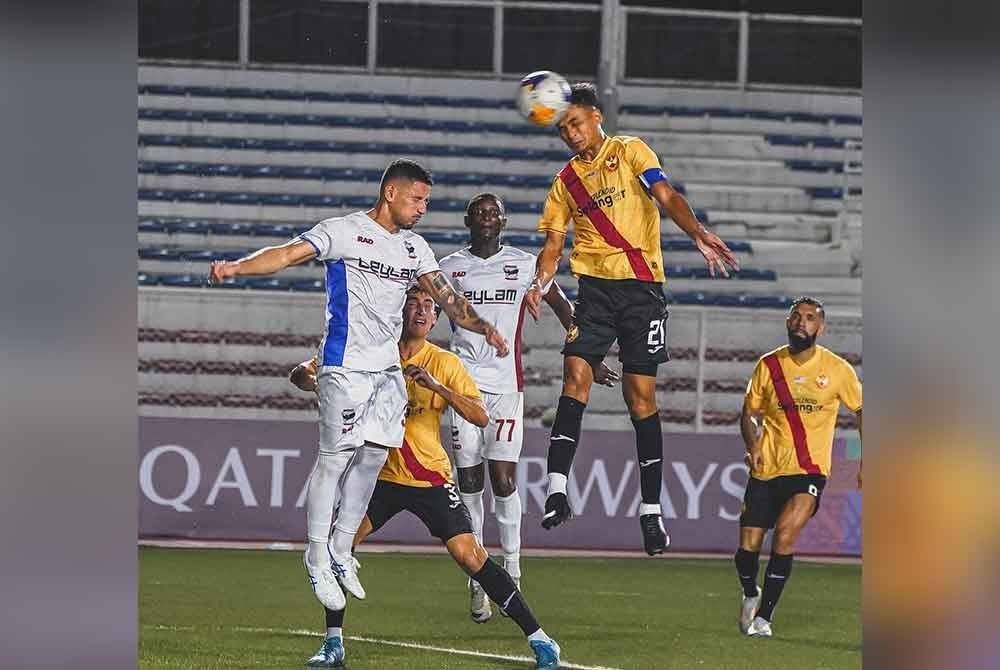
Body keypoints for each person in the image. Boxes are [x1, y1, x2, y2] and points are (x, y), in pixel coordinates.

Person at [208, 159, 509, 613]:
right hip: (344, 365)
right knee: (336, 458)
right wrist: (234, 268)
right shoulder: (343, 231)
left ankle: (342, 549)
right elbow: (287, 254)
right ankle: (316, 556)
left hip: (386, 369)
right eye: (418, 198)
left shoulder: (414, 248)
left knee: (374, 453)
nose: (423, 208)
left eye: (427, 200)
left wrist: (481, 325)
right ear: (391, 193)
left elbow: (446, 295)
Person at [290, 285, 562, 669]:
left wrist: (437, 387)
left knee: (472, 558)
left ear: (436, 319)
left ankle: (540, 639)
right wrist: (313, 379)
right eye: (413, 303)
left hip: (429, 478)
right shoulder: (368, 351)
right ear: (399, 311)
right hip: (379, 478)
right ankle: (333, 644)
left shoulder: (444, 363)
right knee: (340, 549)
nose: (420, 311)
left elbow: (481, 416)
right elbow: (302, 372)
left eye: (428, 307)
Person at [522, 82, 741, 554]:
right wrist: (540, 282)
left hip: (641, 291)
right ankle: (556, 489)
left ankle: (650, 512)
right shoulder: (564, 184)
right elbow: (553, 247)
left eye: (576, 124)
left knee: (639, 397)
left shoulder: (630, 150)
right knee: (574, 375)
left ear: (597, 116)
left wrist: (697, 232)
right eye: (563, 130)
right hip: (594, 292)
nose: (571, 135)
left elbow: (665, 194)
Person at [439, 193, 620, 622]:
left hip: (506, 388)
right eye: (479, 212)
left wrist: (590, 357)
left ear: (504, 221)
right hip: (461, 387)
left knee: (503, 480)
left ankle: (514, 569)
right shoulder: (448, 268)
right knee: (468, 482)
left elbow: (563, 308)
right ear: (468, 219)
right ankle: (478, 573)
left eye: (493, 213)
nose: (486, 218)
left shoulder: (524, 266)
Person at [736, 296, 862, 637]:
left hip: (809, 470)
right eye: (796, 316)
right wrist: (752, 446)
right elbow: (748, 412)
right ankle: (750, 592)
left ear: (820, 328)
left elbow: (863, 408)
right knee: (747, 549)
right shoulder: (768, 365)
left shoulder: (837, 370)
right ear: (788, 323)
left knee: (787, 532)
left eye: (809, 318)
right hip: (767, 468)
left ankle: (765, 619)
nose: (801, 322)